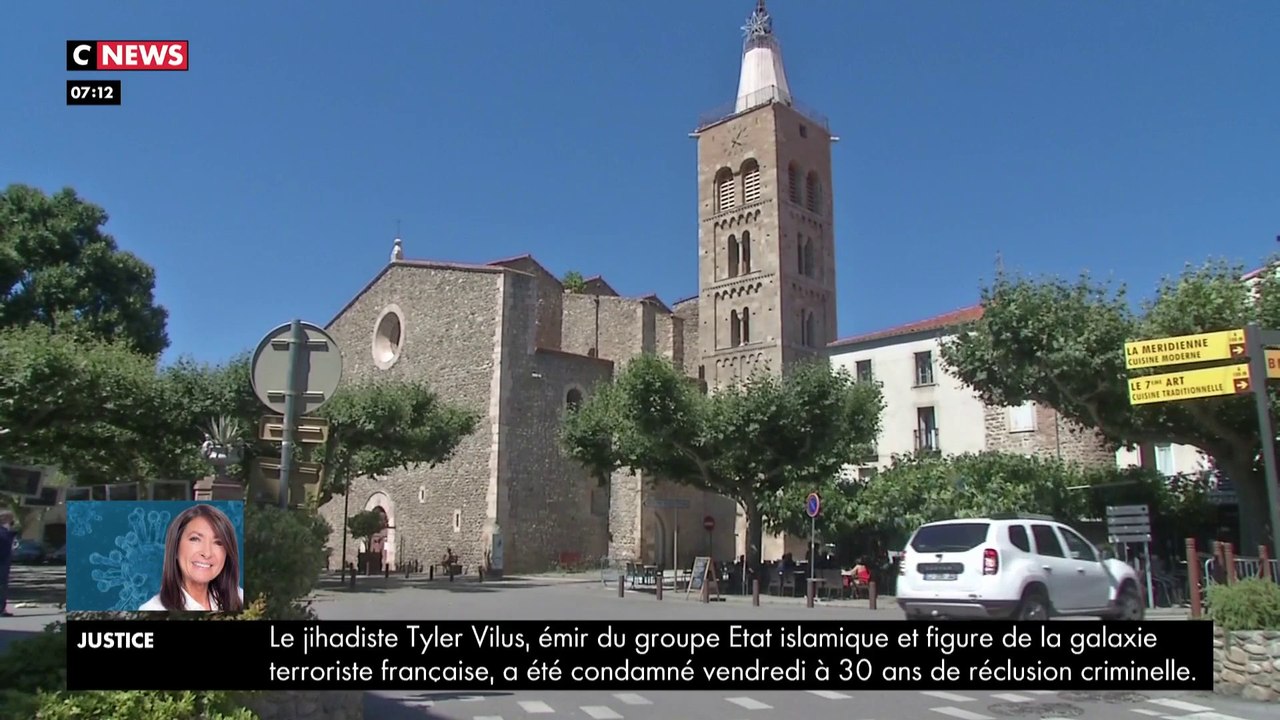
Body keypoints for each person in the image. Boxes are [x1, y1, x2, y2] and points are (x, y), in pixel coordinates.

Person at [139, 504, 243, 612]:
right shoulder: (153, 609)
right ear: (175, 547)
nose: (207, 553)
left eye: (218, 542)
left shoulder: (240, 597)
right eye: (195, 539)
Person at [0, 511, 16, 617]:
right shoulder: (3, 533)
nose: (12, 521)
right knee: (2, 586)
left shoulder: (6, 532)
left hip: (4, 562)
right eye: (10, 518)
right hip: (2, 562)